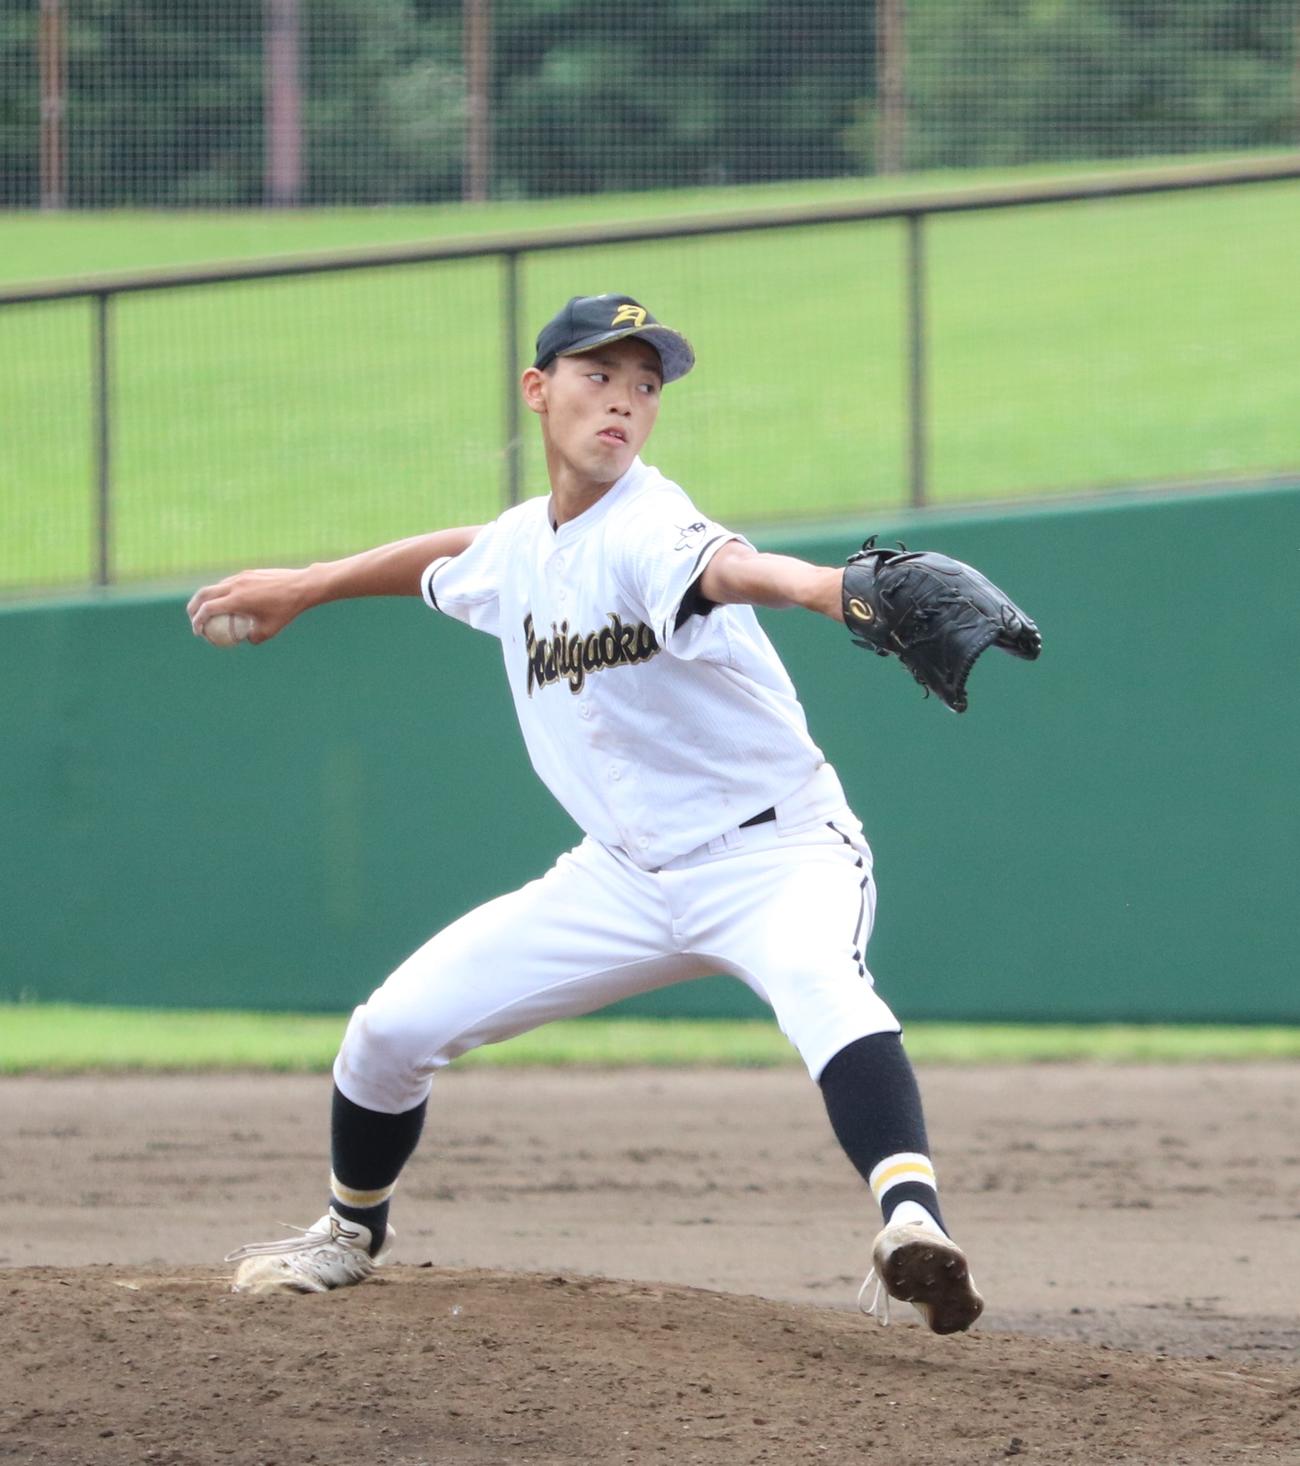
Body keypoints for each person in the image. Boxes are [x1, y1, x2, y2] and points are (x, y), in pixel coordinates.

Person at [189, 292, 984, 1335]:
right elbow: (456, 554)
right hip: (620, 875)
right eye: (598, 375)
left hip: (776, 854)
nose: (623, 401)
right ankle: (348, 1228)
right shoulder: (525, 543)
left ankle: (910, 1222)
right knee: (388, 1030)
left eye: (644, 386)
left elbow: (732, 568)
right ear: (538, 389)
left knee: (821, 981)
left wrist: (836, 586)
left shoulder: (654, 524)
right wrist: (309, 583)